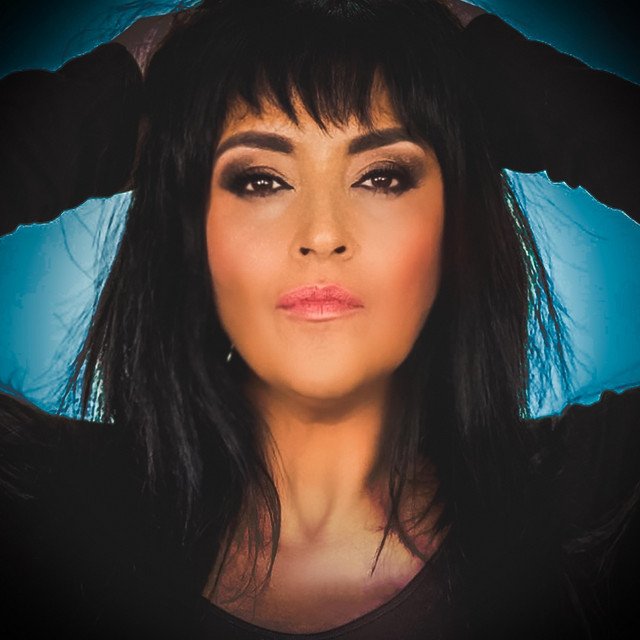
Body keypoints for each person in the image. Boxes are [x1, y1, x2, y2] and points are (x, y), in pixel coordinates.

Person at [1, 0, 638, 638]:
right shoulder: (51, 513)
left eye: (382, 177)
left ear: (454, 223)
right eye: (261, 181)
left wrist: (509, 80)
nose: (323, 234)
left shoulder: (591, 511)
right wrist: (111, 98)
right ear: (191, 230)